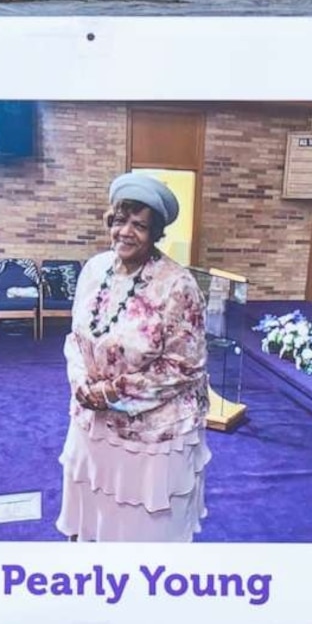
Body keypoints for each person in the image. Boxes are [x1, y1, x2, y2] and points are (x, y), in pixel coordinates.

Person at [59, 171, 210, 545]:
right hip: (92, 420)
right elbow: (76, 338)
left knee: (141, 528)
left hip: (150, 433)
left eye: (139, 226)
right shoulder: (94, 270)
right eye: (120, 221)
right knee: (97, 513)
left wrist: (112, 391)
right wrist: (80, 382)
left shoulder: (178, 286)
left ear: (156, 233)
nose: (126, 232)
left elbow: (184, 366)